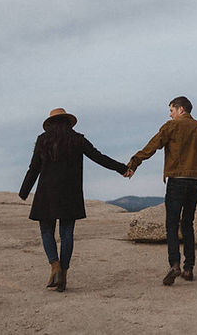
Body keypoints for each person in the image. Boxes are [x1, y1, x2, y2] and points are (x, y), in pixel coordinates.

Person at [19, 107, 128, 292]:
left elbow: (34, 168)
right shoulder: (77, 139)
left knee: (47, 231)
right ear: (68, 122)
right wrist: (122, 168)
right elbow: (98, 157)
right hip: (70, 193)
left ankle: (55, 267)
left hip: (46, 193)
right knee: (66, 233)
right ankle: (65, 273)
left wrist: (24, 191)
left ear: (50, 124)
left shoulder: (42, 140)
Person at [124, 96, 197, 285]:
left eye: (172, 110)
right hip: (195, 182)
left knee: (172, 224)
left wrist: (134, 163)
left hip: (176, 180)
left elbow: (152, 146)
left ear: (181, 109)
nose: (170, 114)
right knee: (188, 223)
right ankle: (189, 268)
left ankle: (174, 264)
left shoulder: (171, 126)